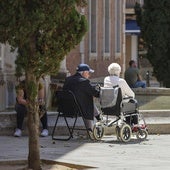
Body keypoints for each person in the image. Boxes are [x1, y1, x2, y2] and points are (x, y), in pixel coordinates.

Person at [63, 63, 101, 131]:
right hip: (77, 110)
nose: (89, 75)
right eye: (88, 73)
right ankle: (95, 124)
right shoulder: (84, 81)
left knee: (85, 101)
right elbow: (95, 93)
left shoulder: (68, 79)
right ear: (84, 73)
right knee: (88, 103)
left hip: (64, 109)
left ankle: (96, 122)